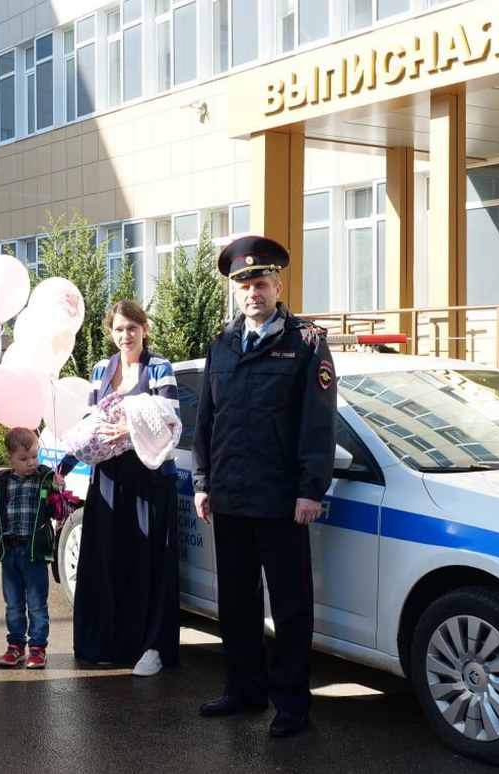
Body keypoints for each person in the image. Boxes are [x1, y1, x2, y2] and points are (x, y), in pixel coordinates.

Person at [192, 235, 337, 739]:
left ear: (278, 284)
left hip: (281, 500)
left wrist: (310, 490)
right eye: (243, 284)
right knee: (236, 602)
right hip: (229, 496)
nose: (252, 291)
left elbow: (318, 425)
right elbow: (207, 421)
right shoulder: (222, 343)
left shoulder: (306, 343)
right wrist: (202, 480)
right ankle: (244, 689)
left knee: (291, 606)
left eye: (260, 281)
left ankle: (292, 704)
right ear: (233, 291)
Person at [63, 300, 180, 676]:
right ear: (110, 333)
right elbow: (90, 420)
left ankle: (153, 648)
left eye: (132, 327)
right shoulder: (101, 369)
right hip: (109, 479)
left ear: (144, 329)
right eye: (118, 329)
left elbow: (172, 420)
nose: (125, 335)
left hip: (148, 478)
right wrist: (66, 462)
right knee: (107, 560)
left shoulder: (160, 368)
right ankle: (108, 643)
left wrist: (131, 428)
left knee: (149, 562)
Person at [0, 428, 61, 669]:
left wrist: (58, 491)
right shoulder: (3, 483)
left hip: (34, 551)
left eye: (35, 457)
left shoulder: (45, 479)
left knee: (37, 603)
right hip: (10, 552)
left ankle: (38, 648)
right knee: (14, 604)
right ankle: (15, 646)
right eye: (24, 459)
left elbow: (58, 512)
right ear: (10, 458)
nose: (31, 463)